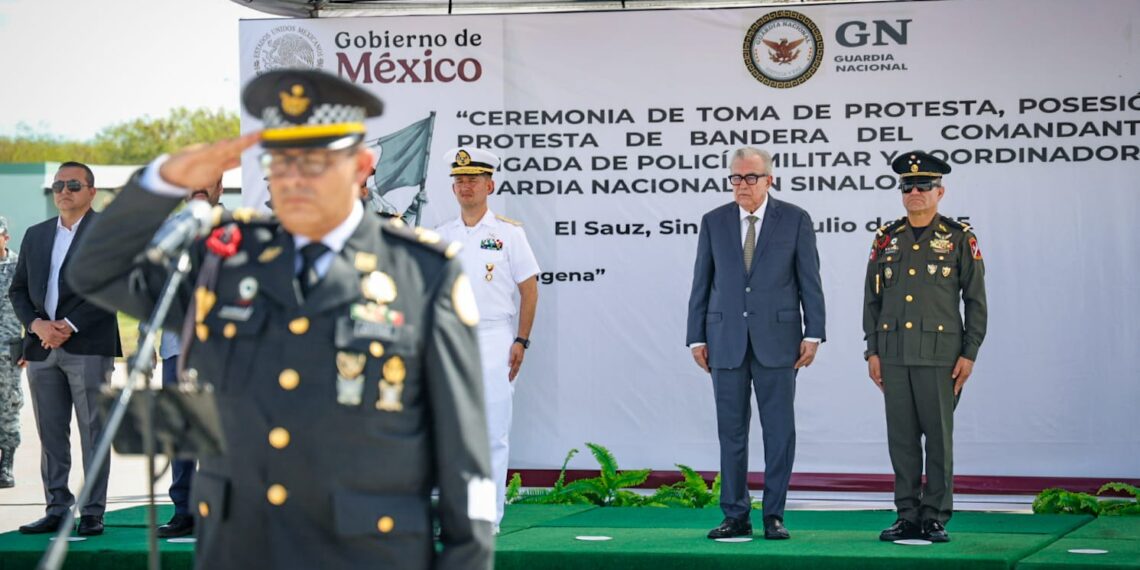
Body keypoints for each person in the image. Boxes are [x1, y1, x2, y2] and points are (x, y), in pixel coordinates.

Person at [67, 69, 494, 569]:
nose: (293, 179)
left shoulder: (422, 273)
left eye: (314, 163)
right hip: (242, 548)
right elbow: (97, 272)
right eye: (280, 162)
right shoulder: (223, 261)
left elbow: (464, 462)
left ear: (361, 165)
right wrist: (162, 180)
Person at [686, 147, 825, 540]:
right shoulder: (714, 222)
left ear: (769, 180)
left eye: (750, 178)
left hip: (779, 342)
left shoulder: (795, 220)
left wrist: (813, 332)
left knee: (779, 431)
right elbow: (702, 282)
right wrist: (696, 335)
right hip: (724, 340)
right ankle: (735, 515)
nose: (741, 185)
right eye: (735, 178)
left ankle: (774, 515)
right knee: (731, 432)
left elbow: (809, 280)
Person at [864, 151, 987, 543]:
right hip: (895, 353)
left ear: (940, 191)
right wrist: (873, 351)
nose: (915, 192)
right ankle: (906, 514)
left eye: (924, 186)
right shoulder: (887, 238)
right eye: (908, 186)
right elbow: (872, 300)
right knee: (901, 440)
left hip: (940, 355)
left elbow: (976, 300)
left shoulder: (958, 237)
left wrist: (969, 352)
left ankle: (934, 515)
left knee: (938, 439)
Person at [8, 162, 122, 536]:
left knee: (93, 433)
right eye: (58, 184)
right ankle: (57, 508)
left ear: (92, 191)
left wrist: (69, 326)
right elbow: (18, 290)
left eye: (74, 184)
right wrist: (37, 325)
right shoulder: (36, 234)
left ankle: (92, 511)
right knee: (51, 435)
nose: (64, 190)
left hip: (88, 345)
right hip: (41, 347)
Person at [436, 147, 539, 533]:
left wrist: (521, 341)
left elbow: (530, 290)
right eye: (460, 180)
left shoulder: (508, 234)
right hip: (452, 338)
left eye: (473, 179)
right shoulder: (441, 235)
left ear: (490, 185)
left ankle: (487, 516)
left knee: (493, 431)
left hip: (496, 336)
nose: (466, 186)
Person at [149, 176, 223, 539]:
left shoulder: (236, 230)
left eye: (208, 183)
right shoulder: (167, 232)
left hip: (222, 351)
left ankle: (217, 510)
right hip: (176, 348)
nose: (199, 188)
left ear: (220, 188)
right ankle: (184, 510)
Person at [0, 216, 24, 488]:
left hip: (8, 351)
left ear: (6, 236)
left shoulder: (19, 266)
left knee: (9, 406)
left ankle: (6, 464)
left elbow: (32, 307)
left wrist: (29, 344)